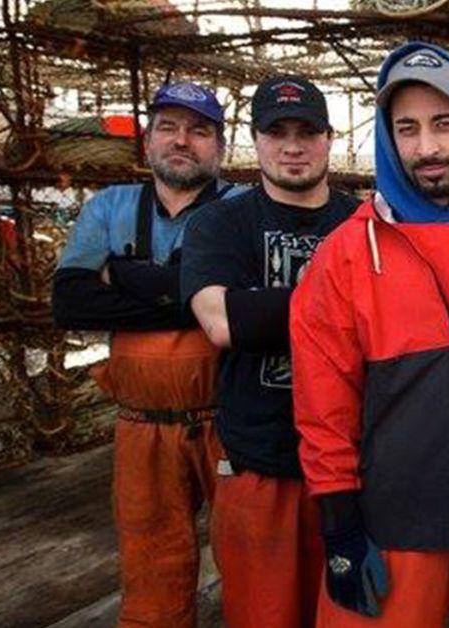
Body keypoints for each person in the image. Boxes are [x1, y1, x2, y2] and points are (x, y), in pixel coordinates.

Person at [289, 43, 449, 627]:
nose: (427, 149)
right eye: (406, 129)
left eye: (445, 124)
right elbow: (323, 405)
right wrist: (340, 528)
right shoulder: (346, 254)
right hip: (391, 529)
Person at [52, 82, 243, 628]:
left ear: (220, 146)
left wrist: (124, 275)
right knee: (150, 564)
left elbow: (243, 303)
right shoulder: (109, 206)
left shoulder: (240, 210)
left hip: (229, 420)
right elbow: (70, 301)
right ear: (147, 139)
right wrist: (185, 294)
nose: (182, 140)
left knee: (251, 556)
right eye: (168, 127)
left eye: (199, 130)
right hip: (140, 426)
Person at [180, 74, 358, 628]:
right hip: (259, 470)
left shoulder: (362, 222)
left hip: (353, 471)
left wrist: (261, 306)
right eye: (276, 131)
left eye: (307, 130)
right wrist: (345, 306)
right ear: (254, 140)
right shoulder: (221, 222)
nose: (292, 145)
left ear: (330, 137)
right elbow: (220, 320)